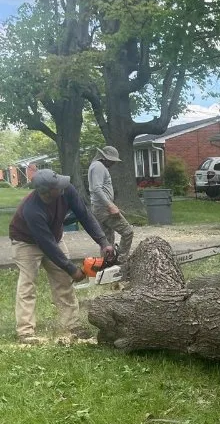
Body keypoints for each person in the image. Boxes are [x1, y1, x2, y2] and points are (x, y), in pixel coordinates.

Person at [9, 169, 114, 343]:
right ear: (46, 192)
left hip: (53, 238)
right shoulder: (32, 209)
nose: (63, 186)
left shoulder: (67, 190)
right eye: (57, 186)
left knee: (64, 281)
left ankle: (71, 325)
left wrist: (103, 242)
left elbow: (84, 215)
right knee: (28, 283)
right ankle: (25, 332)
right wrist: (72, 269)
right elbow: (46, 244)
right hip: (25, 241)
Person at [88, 145, 133, 261]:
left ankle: (108, 265)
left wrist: (111, 204)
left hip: (100, 207)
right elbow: (96, 189)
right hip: (104, 209)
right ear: (104, 158)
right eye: (112, 161)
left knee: (107, 240)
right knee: (128, 232)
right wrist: (110, 205)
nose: (113, 164)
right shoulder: (98, 166)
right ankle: (120, 260)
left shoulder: (97, 166)